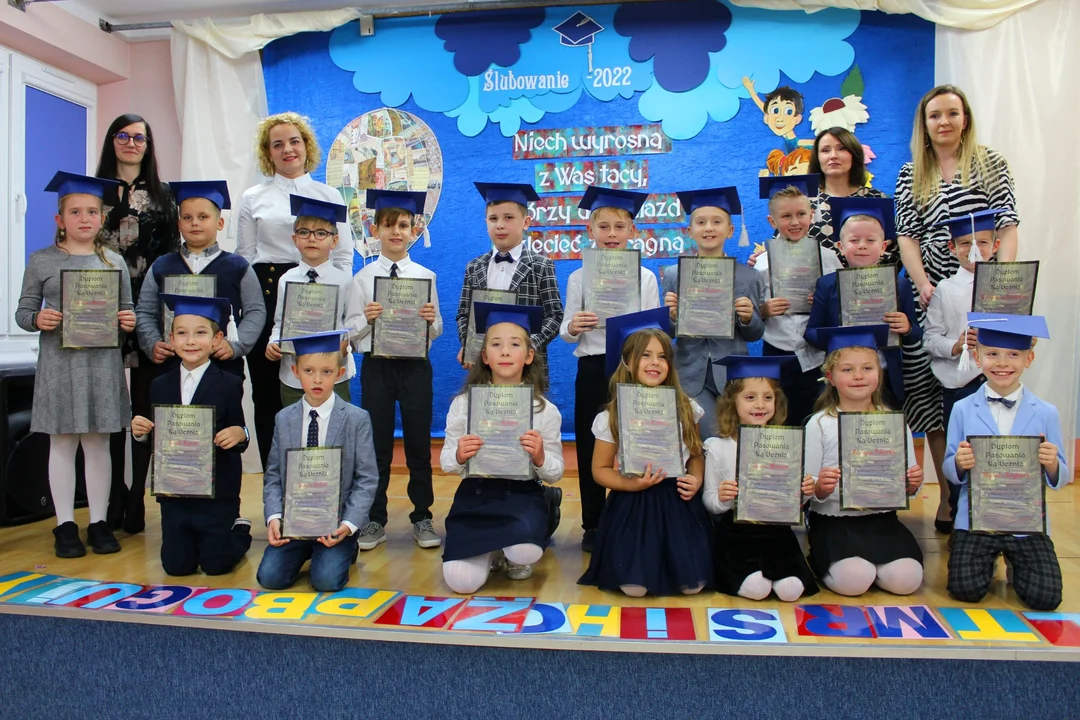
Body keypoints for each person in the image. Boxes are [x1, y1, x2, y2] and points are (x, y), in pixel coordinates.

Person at [894, 85, 1021, 518]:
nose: (943, 122)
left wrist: (998, 286)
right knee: (931, 395)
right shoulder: (911, 172)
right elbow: (906, 235)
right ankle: (950, 497)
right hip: (929, 289)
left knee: (986, 385)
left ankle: (988, 494)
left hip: (980, 287)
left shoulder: (989, 163)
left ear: (965, 118)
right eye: (935, 115)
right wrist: (922, 283)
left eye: (952, 113)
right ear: (924, 123)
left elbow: (1007, 226)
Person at [16, 172, 135, 557]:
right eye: (75, 212)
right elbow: (23, 312)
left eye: (92, 212)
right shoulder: (42, 261)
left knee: (99, 442)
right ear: (60, 219)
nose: (84, 218)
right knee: (63, 443)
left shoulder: (114, 261)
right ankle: (65, 524)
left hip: (102, 365)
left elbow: (128, 310)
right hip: (60, 366)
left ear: (102, 218)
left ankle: (98, 522)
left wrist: (127, 320)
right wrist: (38, 319)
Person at [236, 112, 355, 472]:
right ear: (267, 153)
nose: (287, 149)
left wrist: (339, 305)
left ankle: (320, 479)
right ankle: (278, 483)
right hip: (267, 295)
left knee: (317, 387)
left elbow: (344, 256)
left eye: (294, 141)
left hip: (320, 294)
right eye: (277, 144)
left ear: (307, 147)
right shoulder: (253, 197)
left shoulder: (328, 195)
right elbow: (244, 257)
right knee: (268, 395)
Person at [578, 309, 712, 596]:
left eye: (662, 356)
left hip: (677, 501)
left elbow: (696, 455)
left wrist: (696, 479)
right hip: (632, 502)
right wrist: (631, 484)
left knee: (693, 586)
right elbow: (600, 470)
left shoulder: (686, 407)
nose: (655, 362)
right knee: (634, 588)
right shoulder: (611, 415)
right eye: (646, 355)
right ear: (628, 362)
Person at [560, 186, 661, 552]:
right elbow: (565, 331)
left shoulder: (646, 278)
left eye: (620, 227)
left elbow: (655, 332)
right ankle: (593, 523)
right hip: (591, 368)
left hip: (632, 369)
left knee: (637, 442)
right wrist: (575, 326)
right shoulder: (578, 278)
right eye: (603, 227)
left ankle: (635, 516)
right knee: (590, 445)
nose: (612, 234)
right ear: (591, 231)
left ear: (632, 231)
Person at [944, 314, 1067, 611]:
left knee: (1046, 597)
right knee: (965, 589)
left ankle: (1015, 561)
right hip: (976, 518)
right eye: (992, 354)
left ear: (1029, 359)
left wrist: (1052, 464)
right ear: (978, 358)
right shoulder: (962, 409)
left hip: (1026, 520)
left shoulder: (1046, 412)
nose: (1002, 363)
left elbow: (1061, 476)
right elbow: (949, 467)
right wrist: (959, 462)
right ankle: (988, 561)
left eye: (1013, 355)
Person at [96, 114, 181, 535]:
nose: (131, 144)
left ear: (148, 145)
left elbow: (173, 255)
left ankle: (136, 500)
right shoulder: (94, 191)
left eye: (139, 138)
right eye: (123, 136)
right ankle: (113, 495)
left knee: (145, 408)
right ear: (112, 141)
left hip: (149, 313)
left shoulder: (165, 196)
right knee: (112, 409)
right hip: (103, 311)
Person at [441, 303, 564, 593]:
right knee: (460, 582)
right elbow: (446, 463)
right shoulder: (464, 405)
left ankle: (544, 508)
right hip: (476, 496)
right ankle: (493, 549)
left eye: (515, 344)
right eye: (496, 344)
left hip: (522, 494)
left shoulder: (545, 410)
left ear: (529, 356)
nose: (505, 352)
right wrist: (459, 454)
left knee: (525, 552)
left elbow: (556, 472)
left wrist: (540, 457)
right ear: (485, 356)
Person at [345, 189, 442, 551]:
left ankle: (422, 516)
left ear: (414, 229)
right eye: (389, 226)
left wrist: (431, 321)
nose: (396, 232)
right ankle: (375, 518)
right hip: (378, 367)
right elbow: (351, 333)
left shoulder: (425, 276)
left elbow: (437, 329)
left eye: (403, 225)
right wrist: (366, 320)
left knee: (418, 444)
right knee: (377, 446)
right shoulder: (363, 278)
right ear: (375, 230)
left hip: (416, 367)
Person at [130, 295, 252, 576]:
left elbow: (239, 429)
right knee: (176, 567)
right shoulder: (160, 385)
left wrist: (239, 433)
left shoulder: (229, 384)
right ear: (171, 339)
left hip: (216, 493)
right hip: (176, 494)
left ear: (216, 338)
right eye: (182, 334)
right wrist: (141, 433)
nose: (191, 341)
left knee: (216, 565)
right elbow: (157, 439)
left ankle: (239, 530)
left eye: (200, 333)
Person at [804, 325, 925, 597]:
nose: (858, 376)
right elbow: (808, 486)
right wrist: (820, 486)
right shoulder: (819, 424)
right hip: (835, 522)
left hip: (882, 520)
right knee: (854, 581)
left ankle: (874, 567)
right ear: (830, 377)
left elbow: (907, 484)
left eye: (867, 368)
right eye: (847, 370)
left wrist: (912, 483)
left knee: (907, 581)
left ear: (879, 373)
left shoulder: (893, 422)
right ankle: (822, 561)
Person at [257, 331, 378, 592]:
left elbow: (367, 478)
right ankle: (305, 550)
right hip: (295, 520)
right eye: (309, 371)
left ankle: (346, 547)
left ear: (339, 373)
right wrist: (274, 516)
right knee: (270, 578)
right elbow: (274, 475)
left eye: (326, 372)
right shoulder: (284, 419)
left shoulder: (356, 419)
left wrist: (348, 525)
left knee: (326, 581)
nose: (317, 379)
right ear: (295, 372)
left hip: (336, 521)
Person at [703, 355, 818, 601]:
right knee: (757, 589)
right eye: (750, 397)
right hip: (736, 535)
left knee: (791, 591)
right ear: (732, 402)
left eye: (768, 397)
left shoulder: (786, 445)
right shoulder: (718, 447)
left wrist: (805, 492)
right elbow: (709, 502)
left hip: (777, 534)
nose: (760, 405)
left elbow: (793, 502)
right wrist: (723, 498)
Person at [135, 181, 266, 380]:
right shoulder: (161, 266)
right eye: (187, 217)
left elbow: (256, 311)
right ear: (179, 224)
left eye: (203, 217)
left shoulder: (238, 267)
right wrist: (151, 342)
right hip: (171, 368)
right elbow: (145, 311)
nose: (194, 223)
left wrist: (236, 345)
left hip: (223, 369)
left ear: (220, 223)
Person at [661, 186, 765, 439]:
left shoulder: (748, 276)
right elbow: (667, 333)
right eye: (701, 222)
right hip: (689, 373)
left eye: (717, 222)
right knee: (704, 438)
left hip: (732, 374)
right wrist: (671, 317)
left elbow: (755, 334)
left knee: (734, 440)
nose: (709, 228)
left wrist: (747, 318)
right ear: (690, 231)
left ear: (730, 230)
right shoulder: (674, 275)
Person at [923, 210, 1003, 532]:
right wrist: (955, 346)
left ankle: (995, 521)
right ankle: (961, 521)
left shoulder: (1007, 285)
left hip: (999, 381)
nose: (974, 250)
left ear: (995, 246)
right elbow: (930, 338)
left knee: (996, 452)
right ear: (952, 247)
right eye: (965, 243)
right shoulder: (945, 289)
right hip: (960, 385)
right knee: (961, 452)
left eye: (982, 242)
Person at [804, 196, 921, 410]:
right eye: (854, 240)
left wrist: (907, 327)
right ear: (840, 246)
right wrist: (836, 336)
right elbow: (810, 333)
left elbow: (916, 335)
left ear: (883, 246)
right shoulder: (827, 285)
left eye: (870, 240)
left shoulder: (899, 284)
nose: (862, 246)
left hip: (885, 377)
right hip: (842, 377)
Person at [752, 175, 843, 425]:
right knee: (779, 418)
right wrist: (765, 309)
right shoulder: (761, 263)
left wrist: (823, 304)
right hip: (777, 352)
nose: (795, 222)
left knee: (817, 417)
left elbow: (842, 308)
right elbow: (751, 314)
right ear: (772, 221)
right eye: (786, 216)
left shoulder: (828, 258)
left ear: (811, 215)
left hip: (817, 355)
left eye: (801, 214)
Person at [455, 183, 563, 375]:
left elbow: (554, 316)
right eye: (493, 218)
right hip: (484, 364)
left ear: (526, 222)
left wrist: (528, 347)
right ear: (486, 222)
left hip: (529, 368)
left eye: (509, 217)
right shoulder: (474, 267)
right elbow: (464, 314)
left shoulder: (541, 266)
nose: (500, 225)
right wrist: (469, 344)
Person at [266, 195, 355, 405]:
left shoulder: (344, 281)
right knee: (294, 423)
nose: (312, 239)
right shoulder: (286, 279)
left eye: (321, 233)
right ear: (294, 239)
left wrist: (344, 346)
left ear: (334, 241)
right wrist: (273, 342)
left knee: (336, 424)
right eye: (304, 232)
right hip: (293, 376)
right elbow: (280, 323)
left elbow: (350, 325)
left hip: (332, 375)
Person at [805, 127, 891, 266]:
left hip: (869, 278)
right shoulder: (804, 201)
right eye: (825, 150)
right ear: (817, 158)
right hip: (816, 279)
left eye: (841, 148)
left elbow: (891, 252)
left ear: (853, 154)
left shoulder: (875, 199)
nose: (833, 155)